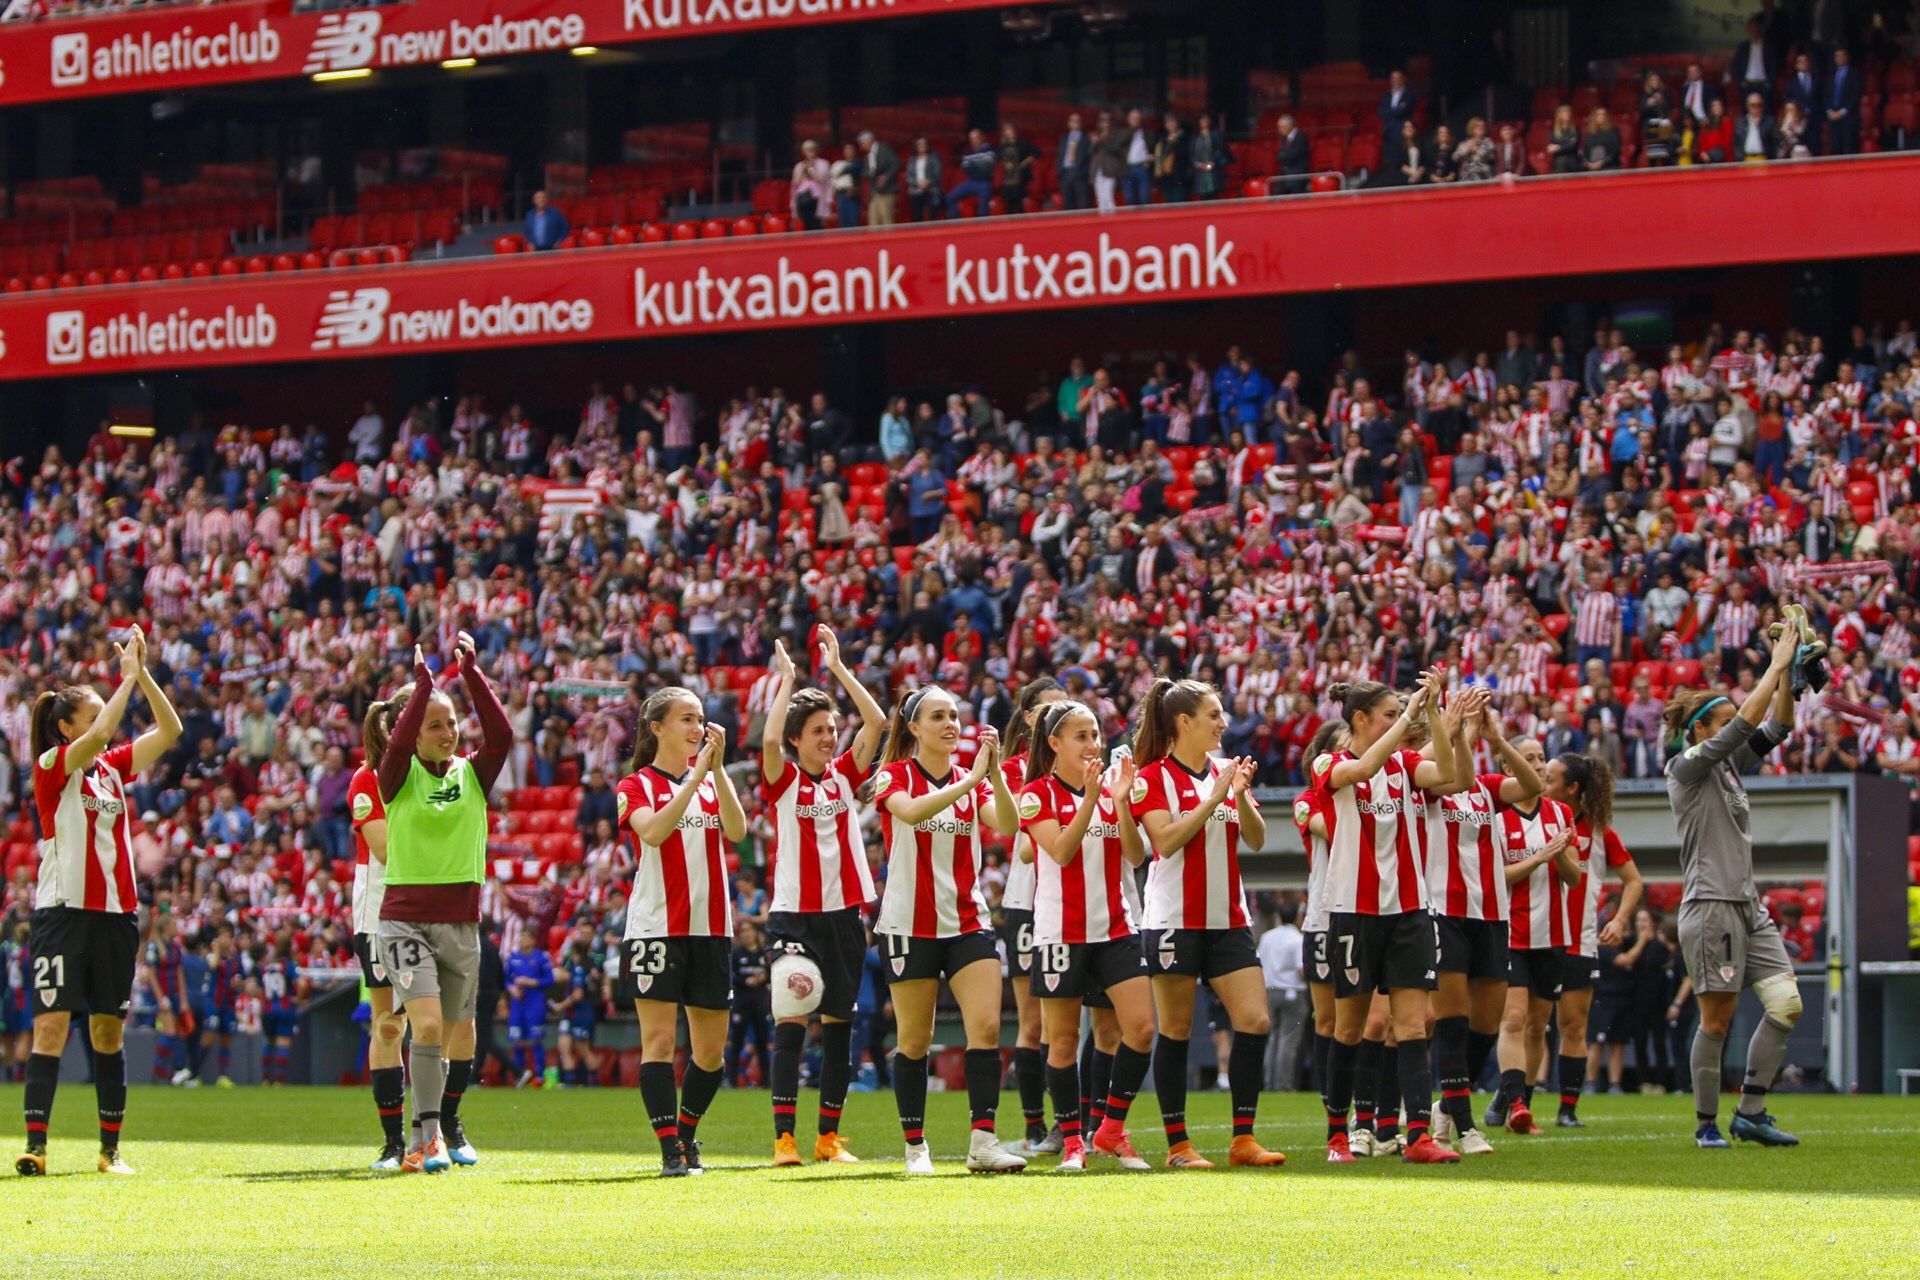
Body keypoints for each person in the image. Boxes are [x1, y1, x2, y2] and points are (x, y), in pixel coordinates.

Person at [19, 626, 180, 1178]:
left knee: (107, 1032)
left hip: (116, 915)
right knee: (51, 1027)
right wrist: (126, 680)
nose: (100, 727)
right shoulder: (52, 765)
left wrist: (144, 676)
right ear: (66, 729)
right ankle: (36, 1147)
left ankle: (110, 1151)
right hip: (62, 914)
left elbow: (170, 730)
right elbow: (106, 729)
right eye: (88, 719)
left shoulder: (111, 768)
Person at [861, 685, 1023, 1173]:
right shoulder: (894, 776)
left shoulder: (972, 780)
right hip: (908, 924)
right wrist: (971, 779)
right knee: (915, 1039)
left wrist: (993, 775)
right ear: (913, 728)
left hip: (968, 921)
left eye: (954, 715)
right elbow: (911, 812)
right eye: (938, 716)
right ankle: (916, 1146)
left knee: (986, 1028)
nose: (951, 724)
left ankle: (983, 1141)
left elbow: (1009, 824)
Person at [1129, 677, 1285, 1169]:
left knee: (1255, 1021)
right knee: (1176, 1029)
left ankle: (1244, 1139)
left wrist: (1238, 795)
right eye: (1214, 714)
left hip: (1228, 919)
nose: (1223, 722)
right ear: (1184, 722)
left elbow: (1255, 839)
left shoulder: (1225, 772)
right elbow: (1165, 842)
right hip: (1173, 919)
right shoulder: (1151, 778)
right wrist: (1214, 798)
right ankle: (1178, 1146)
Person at [1311, 671, 1463, 1164]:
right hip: (1354, 911)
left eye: (1400, 714)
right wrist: (1412, 716)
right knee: (1350, 1029)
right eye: (1390, 715)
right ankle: (1339, 1134)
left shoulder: (1405, 764)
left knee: (1413, 1026)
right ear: (1360, 719)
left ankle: (1417, 1135)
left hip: (1409, 910)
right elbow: (1362, 768)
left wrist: (1434, 715)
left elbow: (1450, 774)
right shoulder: (1329, 763)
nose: (1401, 722)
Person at [1664, 624, 1805, 1148]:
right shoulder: (1686, 767)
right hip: (1711, 904)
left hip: (1747, 905)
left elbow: (1778, 724)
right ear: (1701, 729)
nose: (1733, 729)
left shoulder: (1728, 766)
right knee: (1717, 1020)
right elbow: (1748, 722)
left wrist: (1786, 675)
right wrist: (1776, 662)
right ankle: (1706, 1123)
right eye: (1721, 723)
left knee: (1786, 1005)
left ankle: (1750, 1113)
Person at [376, 634, 510, 1175]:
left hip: (461, 923)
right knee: (427, 1026)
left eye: (451, 723)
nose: (448, 732)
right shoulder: (396, 776)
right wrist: (423, 689)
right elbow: (397, 747)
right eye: (434, 724)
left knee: (453, 1033)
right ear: (412, 732)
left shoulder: (472, 773)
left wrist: (470, 674)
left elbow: (501, 734)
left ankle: (423, 1135)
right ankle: (428, 1139)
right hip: (405, 921)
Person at [760, 627, 885, 1166]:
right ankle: (784, 1139)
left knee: (838, 1029)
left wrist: (836, 669)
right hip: (794, 918)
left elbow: (876, 723)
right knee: (791, 1019)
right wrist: (787, 679)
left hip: (844, 917)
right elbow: (768, 743)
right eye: (818, 730)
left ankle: (828, 1139)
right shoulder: (783, 780)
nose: (829, 737)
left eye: (832, 728)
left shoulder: (844, 777)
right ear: (796, 739)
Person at [1018, 701, 1153, 1172]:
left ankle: (1111, 1129)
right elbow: (1060, 851)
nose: (1093, 744)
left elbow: (1136, 856)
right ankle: (1074, 1141)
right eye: (1081, 736)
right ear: (1054, 743)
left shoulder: (1114, 789)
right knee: (1062, 1041)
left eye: (1095, 734)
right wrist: (1093, 799)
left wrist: (1120, 802)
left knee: (1140, 1029)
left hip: (1116, 928)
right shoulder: (1035, 794)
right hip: (1061, 933)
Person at [618, 687, 748, 1177]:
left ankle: (687, 1136)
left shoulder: (711, 781)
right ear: (657, 728)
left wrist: (716, 771)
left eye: (700, 719)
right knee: (658, 1043)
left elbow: (737, 831)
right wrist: (696, 777)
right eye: (687, 719)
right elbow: (653, 832)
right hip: (655, 928)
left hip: (711, 928)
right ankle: (669, 1148)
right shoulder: (635, 785)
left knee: (711, 1052)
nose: (698, 728)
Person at [1420, 687, 1541, 1155]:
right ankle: (1466, 1126)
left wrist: (1496, 737)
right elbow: (1440, 761)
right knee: (1452, 1020)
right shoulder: (1428, 786)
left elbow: (1530, 786)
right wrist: (1453, 727)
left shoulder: (1487, 788)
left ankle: (1446, 1107)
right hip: (1444, 911)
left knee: (1486, 1026)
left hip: (1490, 913)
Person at [1482, 734, 1580, 1137]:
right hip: (1510, 933)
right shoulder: (1496, 816)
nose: (1539, 765)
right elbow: (1493, 878)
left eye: (1541, 758)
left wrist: (1559, 854)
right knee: (1513, 1018)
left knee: (1538, 1025)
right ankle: (1516, 1102)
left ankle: (1519, 1099)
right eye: (1530, 758)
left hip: (1552, 934)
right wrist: (1539, 857)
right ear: (1510, 769)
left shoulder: (1560, 813)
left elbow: (1574, 878)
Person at [1543, 752, 1644, 1126]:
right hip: (1533, 938)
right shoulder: (1531, 820)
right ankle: (1515, 1102)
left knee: (1573, 1026)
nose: (1541, 783)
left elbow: (1634, 881)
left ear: (1572, 788)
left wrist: (1619, 919)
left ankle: (1567, 1109)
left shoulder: (1600, 834)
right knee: (1526, 1024)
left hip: (1579, 942)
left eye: (1550, 778)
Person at [995, 677, 1067, 1156]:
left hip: (1073, 902)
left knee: (1067, 1021)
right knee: (1034, 1022)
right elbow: (1021, 843)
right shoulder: (1015, 769)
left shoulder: (1079, 761)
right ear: (1027, 717)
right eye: (1047, 709)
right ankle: (1036, 1125)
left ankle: (1071, 1119)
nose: (1057, 715)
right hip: (1026, 901)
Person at [351, 697, 408, 1169]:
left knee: (437, 1024)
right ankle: (394, 1141)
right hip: (381, 914)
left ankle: (438, 1130)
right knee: (389, 1024)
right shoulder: (366, 780)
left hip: (433, 910)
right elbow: (385, 850)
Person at [1256, 900, 1306, 1090]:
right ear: (1297, 917)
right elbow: (1301, 969)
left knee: (1272, 1039)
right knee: (1288, 1040)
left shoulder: (1267, 937)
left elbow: (1259, 962)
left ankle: (1270, 1083)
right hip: (1292, 992)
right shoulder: (1297, 939)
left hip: (1269, 991)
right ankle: (1284, 1084)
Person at [505, 929, 554, 1087]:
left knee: (535, 1039)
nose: (522, 940)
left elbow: (550, 980)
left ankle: (539, 1076)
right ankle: (519, 1076)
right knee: (517, 1040)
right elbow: (505, 980)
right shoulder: (513, 958)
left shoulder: (541, 957)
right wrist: (512, 989)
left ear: (533, 940)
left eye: (525, 937)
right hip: (517, 1005)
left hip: (535, 1003)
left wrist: (531, 982)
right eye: (520, 937)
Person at [555, 939, 601, 1087]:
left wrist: (560, 1005)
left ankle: (594, 1082)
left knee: (583, 1049)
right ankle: (568, 1081)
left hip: (581, 1013)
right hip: (571, 1014)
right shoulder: (583, 966)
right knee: (564, 1046)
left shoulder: (580, 968)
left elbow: (578, 994)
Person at [858, 132, 898, 226]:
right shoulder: (867, 156)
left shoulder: (884, 149)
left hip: (886, 191)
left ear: (868, 141)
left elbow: (895, 163)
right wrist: (869, 173)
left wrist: (886, 176)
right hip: (874, 193)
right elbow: (865, 172)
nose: (861, 146)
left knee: (886, 221)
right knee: (873, 222)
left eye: (862, 143)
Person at [789, 140, 830, 230]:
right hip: (802, 199)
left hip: (817, 199)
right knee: (805, 224)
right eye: (807, 150)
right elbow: (796, 183)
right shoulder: (799, 165)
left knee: (816, 224)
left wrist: (810, 169)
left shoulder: (823, 163)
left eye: (812, 149)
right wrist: (803, 170)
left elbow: (820, 179)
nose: (810, 152)